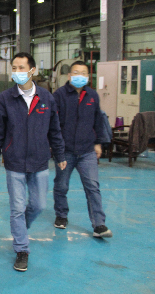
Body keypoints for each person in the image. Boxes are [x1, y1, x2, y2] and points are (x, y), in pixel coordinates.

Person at [0, 52, 67, 272]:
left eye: (21, 68)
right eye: (14, 68)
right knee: (17, 208)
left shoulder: (46, 98)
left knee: (39, 205)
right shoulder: (6, 98)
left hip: (40, 161)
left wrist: (60, 155)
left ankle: (20, 228)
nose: (17, 72)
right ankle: (22, 249)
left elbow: (55, 130)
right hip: (14, 161)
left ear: (33, 70)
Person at [52, 60, 112, 238]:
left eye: (83, 73)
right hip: (65, 151)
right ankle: (61, 215)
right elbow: (53, 123)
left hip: (87, 150)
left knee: (93, 187)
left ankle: (99, 224)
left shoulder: (92, 95)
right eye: (76, 73)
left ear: (88, 76)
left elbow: (98, 120)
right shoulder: (59, 95)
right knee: (62, 185)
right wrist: (56, 148)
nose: (80, 76)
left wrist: (98, 142)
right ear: (69, 75)